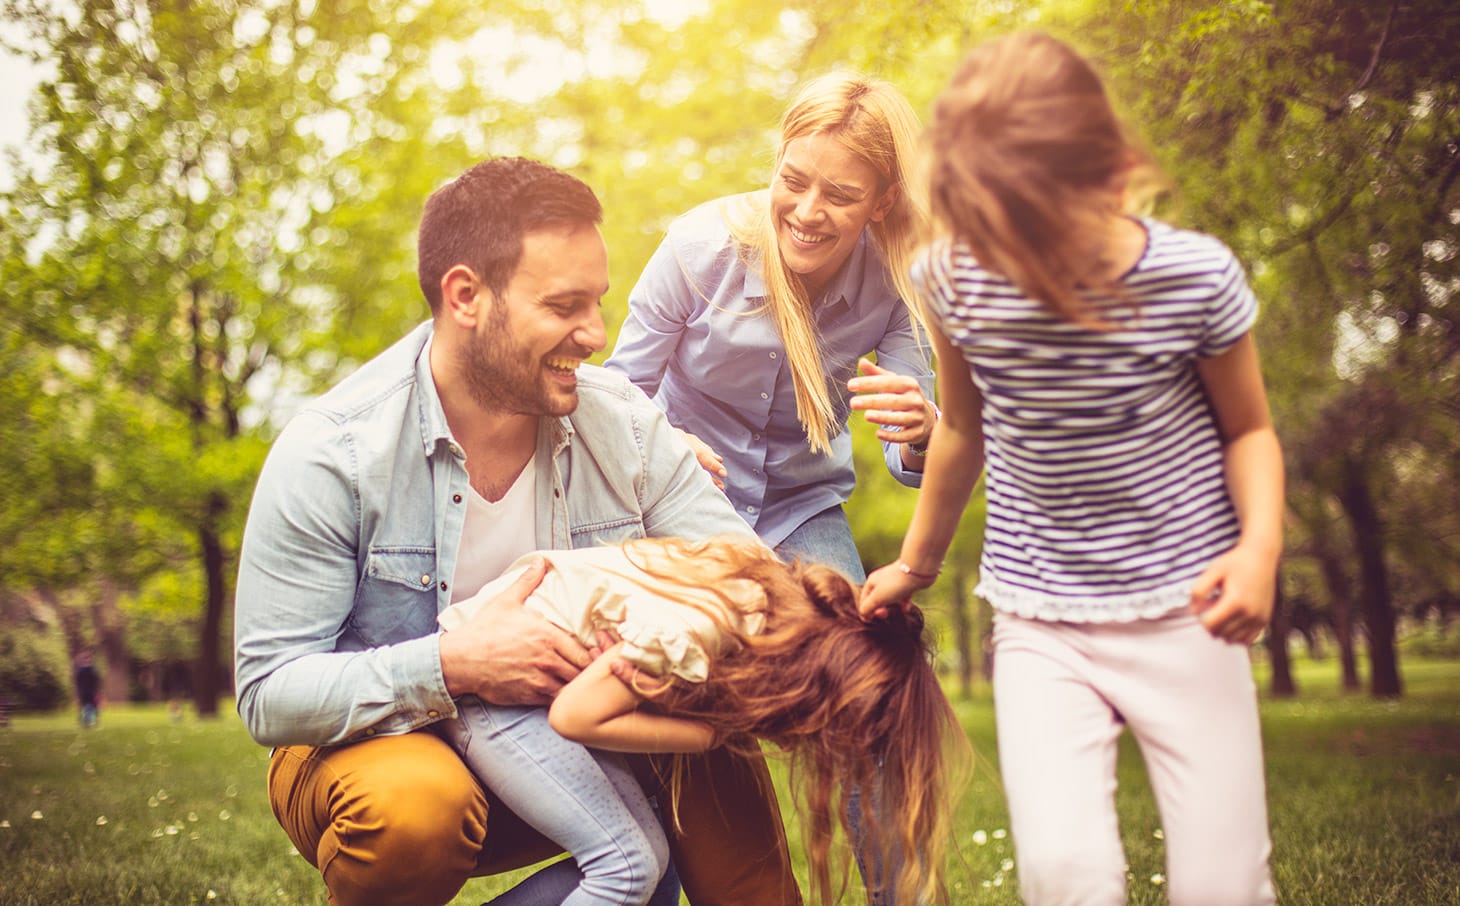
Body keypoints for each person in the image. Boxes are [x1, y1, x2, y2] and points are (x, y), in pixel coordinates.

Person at [234, 157, 801, 906]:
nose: (595, 334)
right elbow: (271, 692)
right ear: (465, 295)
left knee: (712, 755)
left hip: (574, 728)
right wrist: (454, 665)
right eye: (564, 306)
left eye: (597, 302)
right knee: (416, 811)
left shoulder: (624, 427)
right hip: (384, 745)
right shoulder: (335, 451)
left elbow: (750, 579)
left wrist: (816, 633)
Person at [860, 32, 1284, 906]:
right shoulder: (955, 280)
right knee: (1065, 875)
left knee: (1223, 883)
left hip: (1187, 608)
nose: (1019, 259)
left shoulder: (1194, 278)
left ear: (1112, 177)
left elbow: (1249, 432)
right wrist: (915, 564)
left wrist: (1260, 553)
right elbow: (965, 430)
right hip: (1041, 615)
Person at [437, 536, 967, 906]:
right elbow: (575, 715)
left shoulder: (757, 595)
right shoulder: (703, 631)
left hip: (527, 691)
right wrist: (707, 733)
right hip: (495, 688)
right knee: (626, 869)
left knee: (648, 862)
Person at [605, 71, 937, 585]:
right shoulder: (697, 249)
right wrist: (664, 441)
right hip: (681, 489)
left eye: (841, 196)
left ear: (883, 202)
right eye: (794, 181)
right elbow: (620, 392)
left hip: (800, 507)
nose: (807, 213)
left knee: (845, 648)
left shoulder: (898, 282)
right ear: (778, 162)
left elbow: (907, 460)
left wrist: (926, 429)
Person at [73, 648, 100, 728]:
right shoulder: (88, 670)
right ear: (85, 660)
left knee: (91, 707)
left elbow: (96, 681)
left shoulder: (86, 670)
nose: (88, 660)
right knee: (89, 707)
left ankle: (90, 722)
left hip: (89, 692)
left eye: (89, 658)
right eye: (87, 658)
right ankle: (87, 722)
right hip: (86, 692)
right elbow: (78, 683)